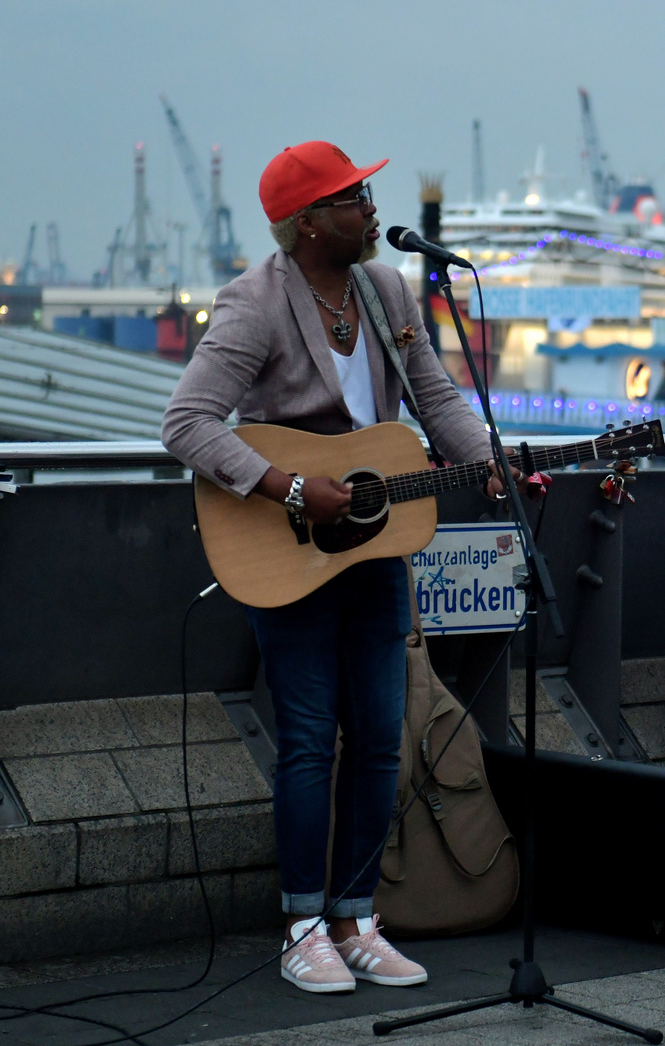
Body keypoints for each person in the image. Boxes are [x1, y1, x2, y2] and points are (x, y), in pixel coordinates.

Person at [162, 141, 500, 994]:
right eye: (354, 197)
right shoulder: (253, 305)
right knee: (311, 741)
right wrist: (285, 488)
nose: (372, 207)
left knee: (382, 740)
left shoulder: (386, 290)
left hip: (375, 549)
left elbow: (435, 397)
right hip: (290, 549)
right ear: (309, 223)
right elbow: (187, 423)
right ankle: (303, 923)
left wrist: (492, 461)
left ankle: (356, 918)